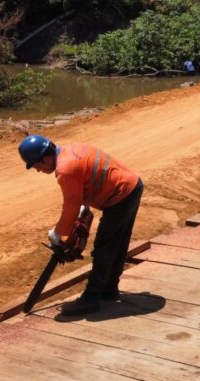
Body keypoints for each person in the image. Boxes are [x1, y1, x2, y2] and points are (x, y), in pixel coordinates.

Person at [18, 135, 144, 316]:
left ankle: (91, 299)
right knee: (116, 244)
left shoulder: (65, 169)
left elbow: (70, 207)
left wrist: (58, 233)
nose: (37, 171)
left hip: (121, 194)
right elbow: (85, 182)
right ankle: (109, 290)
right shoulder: (70, 151)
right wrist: (83, 207)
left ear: (46, 159)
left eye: (36, 166)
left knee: (103, 247)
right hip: (132, 186)